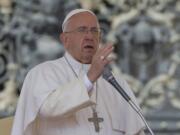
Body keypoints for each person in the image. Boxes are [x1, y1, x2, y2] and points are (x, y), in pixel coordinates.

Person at [11, 9, 145, 135]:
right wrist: (90, 78)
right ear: (65, 39)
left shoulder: (115, 82)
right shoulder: (42, 73)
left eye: (94, 31)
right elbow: (49, 108)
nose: (89, 36)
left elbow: (135, 131)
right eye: (82, 30)